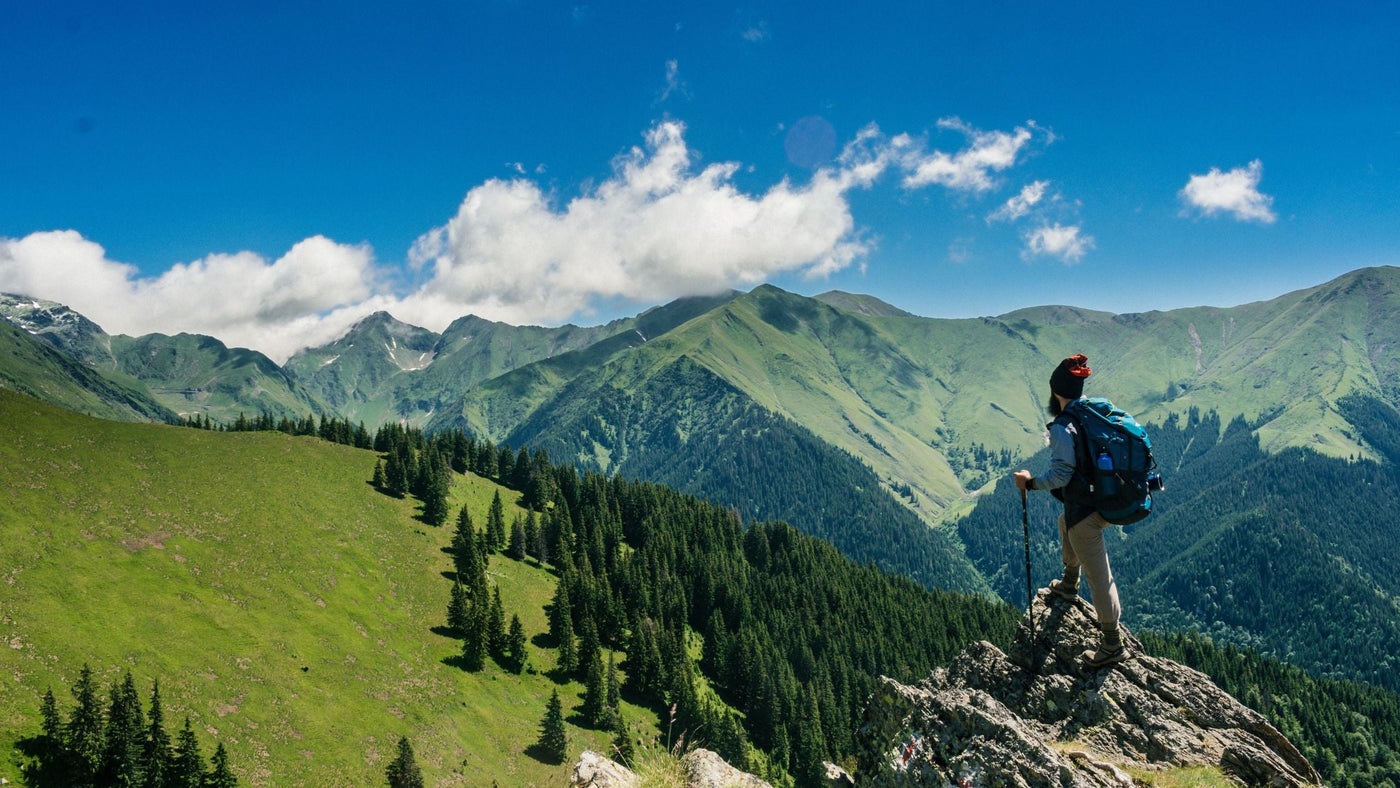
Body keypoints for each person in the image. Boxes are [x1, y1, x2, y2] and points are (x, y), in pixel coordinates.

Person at [1013, 354, 1126, 667]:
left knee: (1099, 575)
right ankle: (1068, 583)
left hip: (1089, 509)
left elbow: (1062, 474)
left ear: (1055, 393)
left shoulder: (1065, 426)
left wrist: (1030, 483)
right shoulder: (1091, 411)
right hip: (1106, 497)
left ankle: (1112, 643)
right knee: (1066, 523)